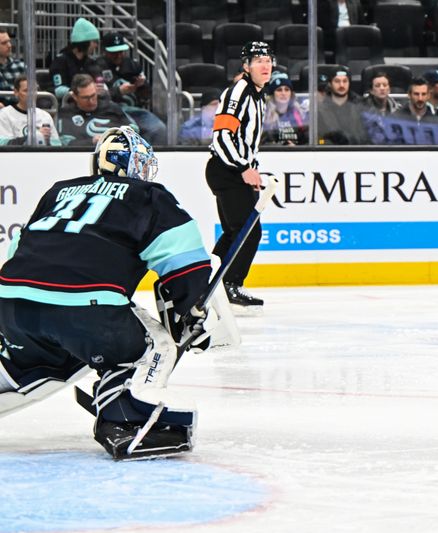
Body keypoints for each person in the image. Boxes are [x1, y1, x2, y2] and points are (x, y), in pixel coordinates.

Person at [0, 127, 213, 460]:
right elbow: (185, 263)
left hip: (11, 302)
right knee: (153, 344)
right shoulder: (149, 195)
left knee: (33, 361)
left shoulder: (59, 191)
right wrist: (192, 313)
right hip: (87, 308)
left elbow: (17, 250)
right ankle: (125, 419)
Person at [207, 41, 273, 309]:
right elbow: (222, 136)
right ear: (246, 66)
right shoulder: (240, 92)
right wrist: (243, 168)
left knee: (235, 232)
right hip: (226, 170)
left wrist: (250, 168)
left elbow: (248, 141)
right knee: (249, 232)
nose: (265, 65)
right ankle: (231, 284)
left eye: (268, 60)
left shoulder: (258, 94)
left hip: (234, 170)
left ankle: (208, 280)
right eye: (258, 60)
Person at [95, 32, 166, 145]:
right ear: (105, 51)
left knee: (159, 129)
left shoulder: (132, 65)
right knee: (132, 129)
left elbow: (146, 96)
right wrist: (119, 91)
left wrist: (141, 85)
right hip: (111, 111)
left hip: (134, 109)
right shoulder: (96, 66)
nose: (118, 55)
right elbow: (97, 96)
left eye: (121, 51)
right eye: (114, 52)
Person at [57, 73, 138, 146]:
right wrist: (91, 142)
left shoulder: (112, 108)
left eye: (93, 95)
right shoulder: (66, 113)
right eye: (86, 98)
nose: (91, 101)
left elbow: (133, 130)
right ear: (75, 97)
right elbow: (64, 142)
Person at [0, 75, 61, 146]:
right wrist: (35, 136)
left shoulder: (45, 116)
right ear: (16, 92)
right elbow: (3, 144)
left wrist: (48, 142)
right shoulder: (5, 115)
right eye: (26, 91)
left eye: (34, 90)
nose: (31, 94)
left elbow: (57, 144)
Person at [49, 17, 100, 100]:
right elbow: (58, 89)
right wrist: (81, 92)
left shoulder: (90, 62)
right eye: (94, 42)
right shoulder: (61, 61)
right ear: (84, 42)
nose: (96, 46)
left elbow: (99, 82)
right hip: (69, 103)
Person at [317, 68, 369, 145]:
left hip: (357, 152)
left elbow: (366, 136)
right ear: (330, 84)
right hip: (329, 153)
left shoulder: (361, 106)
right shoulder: (320, 109)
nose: (341, 85)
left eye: (345, 81)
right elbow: (319, 140)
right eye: (337, 81)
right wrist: (326, 144)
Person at [388, 77, 438, 145]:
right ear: (409, 95)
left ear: (428, 95)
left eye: (423, 94)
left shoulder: (435, 121)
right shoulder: (395, 118)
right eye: (416, 94)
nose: (420, 98)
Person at [261, 73, 308, 146]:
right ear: (272, 94)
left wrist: (297, 148)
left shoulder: (298, 113)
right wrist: (281, 147)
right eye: (279, 90)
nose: (283, 93)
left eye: (287, 90)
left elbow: (307, 140)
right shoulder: (265, 114)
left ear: (291, 93)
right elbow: (262, 142)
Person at [0, 27, 26, 107]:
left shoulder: (21, 66)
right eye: (4, 43)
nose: (9, 45)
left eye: (9, 42)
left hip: (22, 111)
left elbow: (35, 92)